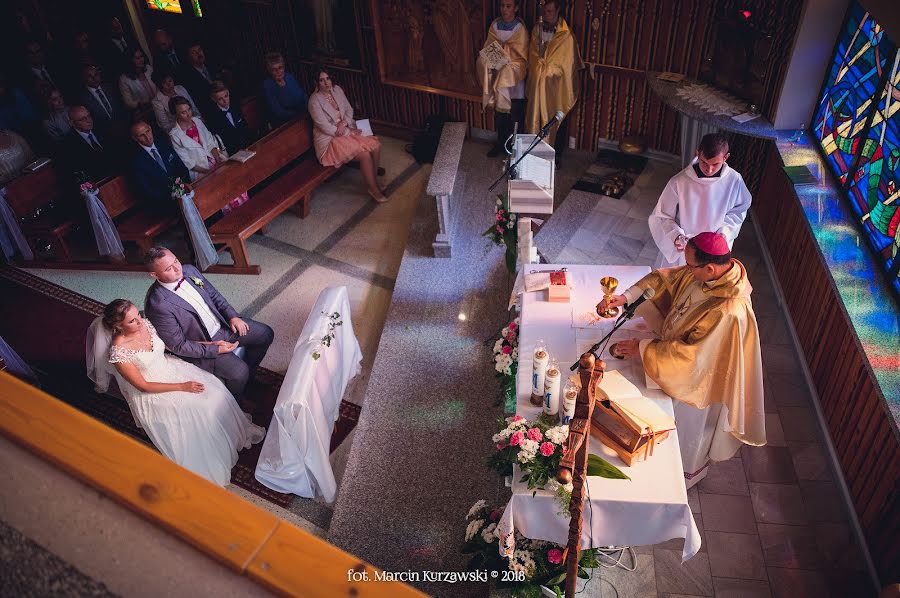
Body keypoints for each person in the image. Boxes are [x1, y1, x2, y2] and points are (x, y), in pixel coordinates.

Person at [595, 232, 766, 487]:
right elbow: (667, 279)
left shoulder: (728, 311)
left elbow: (693, 359)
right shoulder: (709, 275)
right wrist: (627, 297)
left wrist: (643, 349)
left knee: (683, 431)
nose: (686, 269)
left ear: (709, 268)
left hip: (696, 383)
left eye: (691, 265)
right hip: (676, 358)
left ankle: (676, 480)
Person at [89, 298, 264, 486]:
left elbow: (173, 345)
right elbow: (143, 386)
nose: (140, 322)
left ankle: (229, 437)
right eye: (132, 321)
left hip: (170, 368)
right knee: (199, 408)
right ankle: (211, 452)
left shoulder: (145, 324)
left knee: (215, 390)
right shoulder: (119, 352)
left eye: (138, 315)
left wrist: (211, 345)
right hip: (152, 389)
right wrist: (182, 387)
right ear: (117, 326)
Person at [143, 247, 275, 399]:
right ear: (154, 275)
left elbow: (214, 296)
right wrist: (215, 349)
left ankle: (249, 380)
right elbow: (178, 345)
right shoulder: (157, 304)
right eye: (168, 268)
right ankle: (236, 402)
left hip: (223, 327)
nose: (177, 268)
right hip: (203, 344)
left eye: (176, 261)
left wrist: (233, 316)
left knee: (265, 334)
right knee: (239, 372)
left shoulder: (190, 270)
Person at [648, 133, 752, 268]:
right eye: (704, 162)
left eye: (715, 164)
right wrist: (676, 236)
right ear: (698, 153)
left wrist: (724, 233)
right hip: (687, 246)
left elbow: (739, 211)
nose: (709, 169)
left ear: (726, 157)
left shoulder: (734, 181)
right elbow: (662, 216)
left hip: (716, 245)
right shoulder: (680, 181)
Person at [308, 67, 385, 202]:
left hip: (345, 128)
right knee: (364, 155)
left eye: (328, 78)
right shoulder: (314, 101)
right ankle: (373, 189)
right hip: (330, 139)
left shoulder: (337, 89)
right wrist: (349, 131)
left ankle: (374, 181)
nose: (326, 83)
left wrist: (345, 122)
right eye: (321, 80)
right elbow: (325, 127)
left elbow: (349, 109)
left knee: (376, 146)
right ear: (316, 82)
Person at [524, 0, 583, 160]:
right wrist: (539, 66)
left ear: (558, 11)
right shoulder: (537, 29)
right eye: (544, 11)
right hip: (538, 85)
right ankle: (532, 155)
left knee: (556, 120)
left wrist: (550, 69)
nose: (545, 15)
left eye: (549, 11)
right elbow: (533, 57)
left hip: (556, 88)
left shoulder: (566, 35)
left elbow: (567, 65)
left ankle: (554, 157)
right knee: (533, 118)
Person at [168, 96, 249, 212]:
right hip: (200, 170)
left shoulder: (197, 121)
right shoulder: (175, 135)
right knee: (221, 191)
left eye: (189, 110)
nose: (188, 114)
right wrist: (210, 172)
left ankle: (248, 210)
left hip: (215, 160)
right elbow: (189, 163)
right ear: (175, 114)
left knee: (234, 181)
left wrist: (218, 159)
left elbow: (211, 142)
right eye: (183, 112)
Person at [476, 0, 528, 158]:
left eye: (508, 6)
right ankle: (500, 144)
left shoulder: (520, 28)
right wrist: (494, 56)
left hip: (513, 77)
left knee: (515, 116)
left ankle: (516, 149)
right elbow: (489, 47)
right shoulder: (495, 25)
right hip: (499, 72)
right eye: (502, 6)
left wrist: (506, 53)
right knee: (500, 116)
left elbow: (522, 54)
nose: (504, 9)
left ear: (516, 8)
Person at [129, 121, 190, 212]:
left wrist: (184, 186)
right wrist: (173, 195)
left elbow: (181, 167)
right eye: (141, 135)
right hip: (165, 203)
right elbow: (148, 191)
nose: (147, 137)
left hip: (184, 190)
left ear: (150, 128)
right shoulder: (136, 162)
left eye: (147, 131)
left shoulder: (163, 143)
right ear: (135, 138)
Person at [61, 106, 117, 181]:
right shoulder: (69, 145)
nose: (89, 120)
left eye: (88, 116)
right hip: (98, 181)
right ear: (72, 123)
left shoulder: (101, 127)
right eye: (83, 119)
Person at [263, 52, 308, 126]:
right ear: (269, 71)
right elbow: (278, 111)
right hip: (285, 122)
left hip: (301, 116)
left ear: (283, 67)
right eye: (274, 69)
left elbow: (303, 96)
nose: (278, 72)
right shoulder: (268, 85)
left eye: (280, 68)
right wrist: (298, 115)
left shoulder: (289, 77)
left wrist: (308, 108)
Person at [204, 81, 249, 155]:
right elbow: (220, 141)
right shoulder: (213, 117)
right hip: (232, 152)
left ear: (228, 92)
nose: (225, 101)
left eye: (226, 96)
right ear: (214, 99)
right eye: (220, 99)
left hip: (248, 144)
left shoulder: (236, 106)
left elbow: (245, 127)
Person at [79, 65, 124, 132]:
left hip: (122, 125)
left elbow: (120, 106)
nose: (94, 78)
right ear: (84, 78)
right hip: (104, 131)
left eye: (96, 74)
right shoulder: (83, 98)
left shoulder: (110, 87)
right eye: (89, 76)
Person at [179, 42, 218, 115]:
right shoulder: (189, 78)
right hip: (210, 112)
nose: (199, 54)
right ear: (189, 57)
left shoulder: (212, 65)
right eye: (194, 52)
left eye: (199, 50)